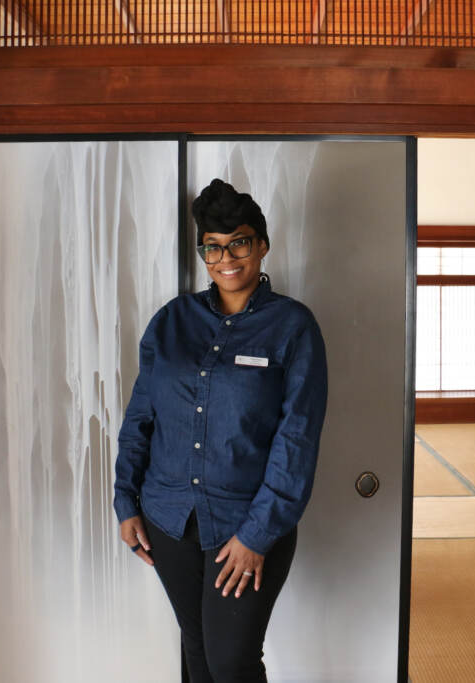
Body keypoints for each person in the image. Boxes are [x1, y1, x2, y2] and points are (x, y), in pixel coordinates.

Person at [113, 178, 329, 682]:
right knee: (198, 655)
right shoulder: (170, 321)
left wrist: (257, 535)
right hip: (167, 518)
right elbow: (139, 417)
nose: (226, 257)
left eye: (239, 242)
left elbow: (297, 439)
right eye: (213, 246)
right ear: (202, 253)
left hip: (245, 524)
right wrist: (126, 501)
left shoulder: (293, 327)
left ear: (262, 246)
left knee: (231, 662)